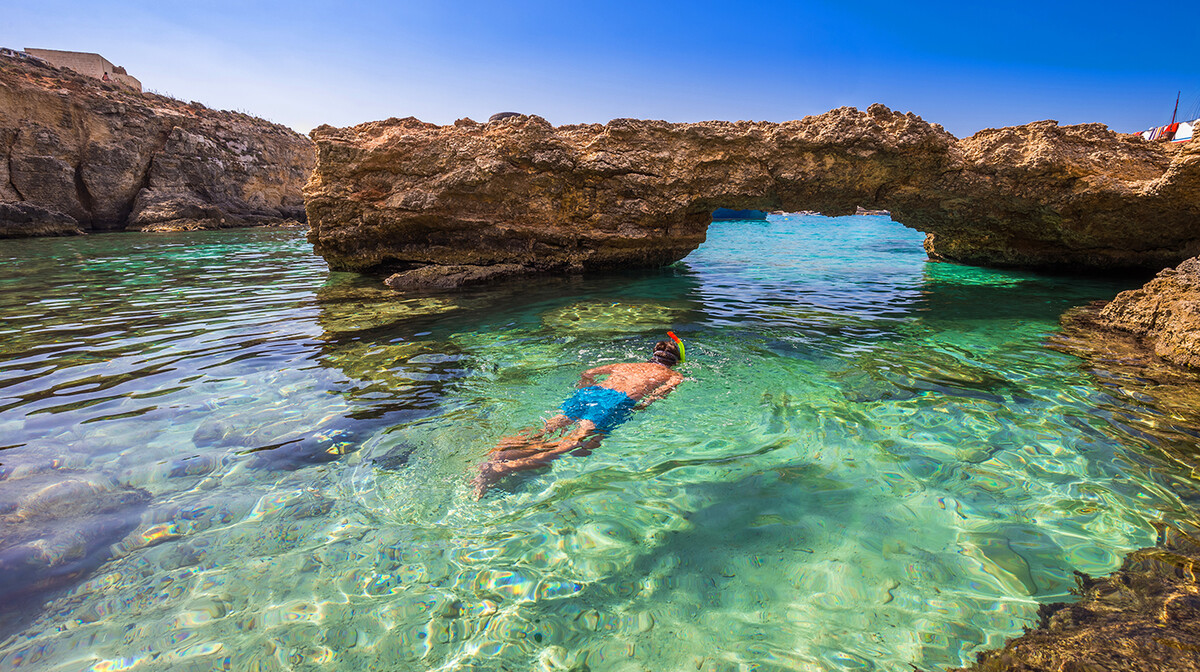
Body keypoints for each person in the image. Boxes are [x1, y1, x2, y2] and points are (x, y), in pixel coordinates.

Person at [472, 335, 687, 497]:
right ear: (675, 361)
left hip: (589, 393)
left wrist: (585, 389)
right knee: (569, 445)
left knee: (545, 429)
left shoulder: (626, 364)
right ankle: (502, 469)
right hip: (613, 402)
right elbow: (654, 398)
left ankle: (497, 454)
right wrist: (639, 408)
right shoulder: (674, 375)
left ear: (653, 355)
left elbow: (589, 373)